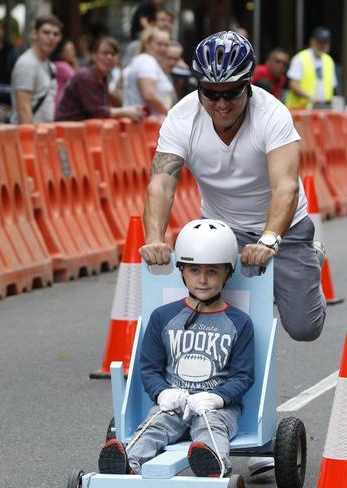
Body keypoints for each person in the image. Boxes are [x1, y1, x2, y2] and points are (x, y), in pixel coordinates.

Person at [140, 30, 325, 347]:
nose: (221, 103)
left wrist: (269, 240)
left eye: (232, 93)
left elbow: (285, 187)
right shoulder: (181, 117)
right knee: (222, 325)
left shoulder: (273, 115)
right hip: (222, 229)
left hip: (284, 227)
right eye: (210, 93)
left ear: (249, 85)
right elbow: (161, 185)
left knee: (303, 328)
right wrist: (154, 238)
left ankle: (312, 258)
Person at [98, 219, 254, 477]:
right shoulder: (163, 317)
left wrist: (217, 398)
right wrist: (162, 394)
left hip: (216, 408)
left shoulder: (240, 323)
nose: (202, 280)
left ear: (228, 273)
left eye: (212, 271)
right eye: (194, 270)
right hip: (173, 404)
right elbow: (148, 368)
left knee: (210, 427)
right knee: (154, 425)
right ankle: (128, 462)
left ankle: (214, 465)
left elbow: (243, 375)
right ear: (182, 270)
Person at [56, 36, 144, 122]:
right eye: (105, 53)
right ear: (93, 55)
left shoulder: (102, 76)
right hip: (67, 130)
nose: (109, 57)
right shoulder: (85, 76)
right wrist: (125, 112)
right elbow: (97, 111)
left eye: (113, 54)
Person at [10, 15, 63, 124]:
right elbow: (24, 108)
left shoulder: (51, 66)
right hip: (28, 135)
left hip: (45, 134)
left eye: (55, 34)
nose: (51, 38)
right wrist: (30, 139)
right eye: (46, 32)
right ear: (34, 34)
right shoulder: (27, 63)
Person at [122, 27, 173, 115]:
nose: (163, 48)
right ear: (147, 44)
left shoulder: (142, 60)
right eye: (159, 44)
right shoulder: (147, 61)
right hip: (147, 124)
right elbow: (149, 95)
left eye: (166, 45)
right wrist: (170, 114)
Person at [286, 26, 337, 109]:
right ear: (312, 41)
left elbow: (332, 87)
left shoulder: (329, 60)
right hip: (300, 110)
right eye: (319, 41)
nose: (322, 45)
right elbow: (293, 85)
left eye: (325, 42)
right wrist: (311, 98)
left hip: (322, 110)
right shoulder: (300, 58)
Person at [51, 38, 78, 108]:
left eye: (73, 49)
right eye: (69, 50)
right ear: (61, 53)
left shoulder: (61, 65)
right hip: (61, 105)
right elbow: (80, 83)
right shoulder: (62, 66)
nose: (73, 52)